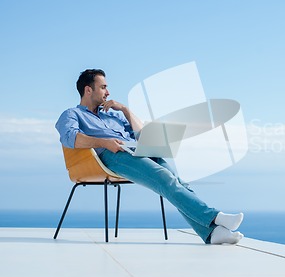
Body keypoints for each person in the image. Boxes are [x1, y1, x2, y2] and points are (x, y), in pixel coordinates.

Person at [55, 69, 244, 244]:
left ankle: (211, 234)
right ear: (88, 90)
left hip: (135, 150)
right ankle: (214, 217)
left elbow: (141, 134)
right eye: (103, 87)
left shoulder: (112, 115)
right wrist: (104, 142)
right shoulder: (72, 114)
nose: (108, 92)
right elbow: (70, 138)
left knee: (177, 181)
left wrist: (125, 110)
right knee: (165, 178)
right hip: (111, 156)